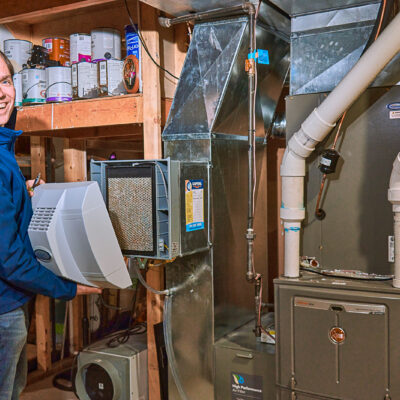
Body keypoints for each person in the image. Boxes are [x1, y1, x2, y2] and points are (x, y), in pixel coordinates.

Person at [0, 51, 101, 400]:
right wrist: (67, 288)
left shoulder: (3, 150)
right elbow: (8, 259)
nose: (2, 93)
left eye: (5, 81)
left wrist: (20, 194)